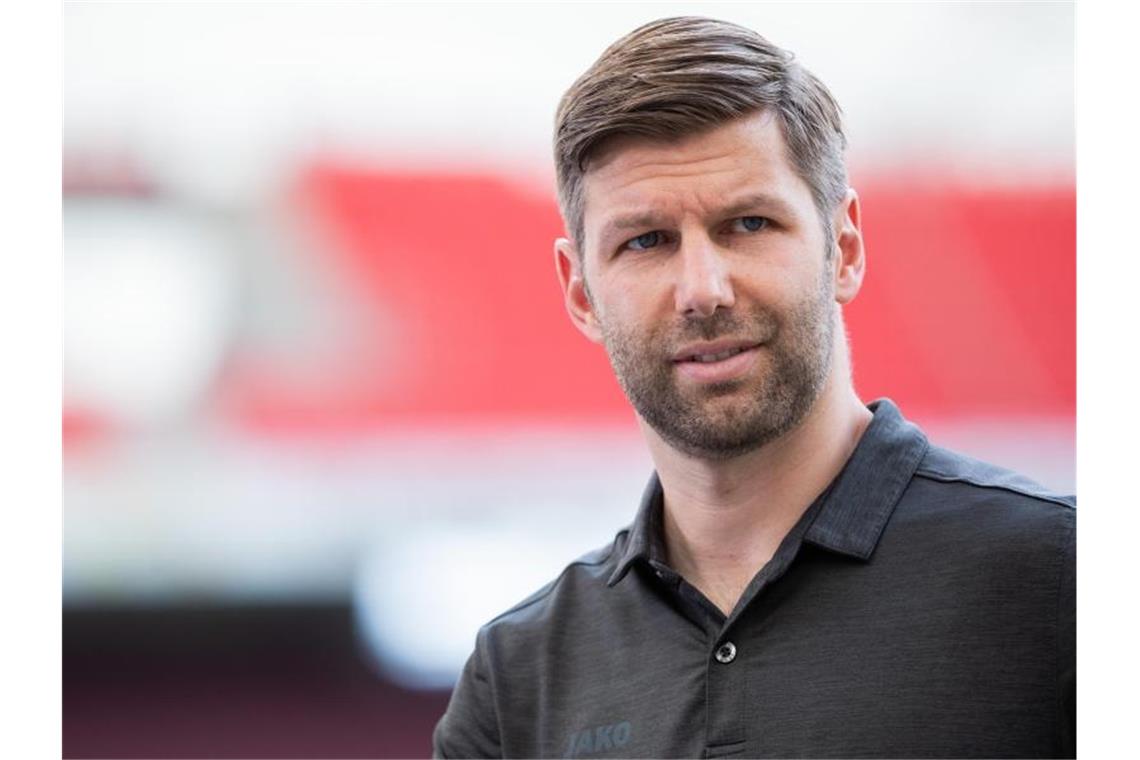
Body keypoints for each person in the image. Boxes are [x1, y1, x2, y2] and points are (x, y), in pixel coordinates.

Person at [433, 16, 1075, 759]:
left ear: (845, 247)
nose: (702, 290)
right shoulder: (518, 679)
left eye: (748, 223)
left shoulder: (1067, 581)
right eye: (646, 241)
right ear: (581, 292)